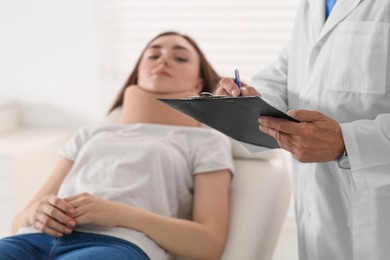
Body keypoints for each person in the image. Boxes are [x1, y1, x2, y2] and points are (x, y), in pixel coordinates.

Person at [0, 31, 234, 260]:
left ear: (198, 83)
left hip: (119, 244)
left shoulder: (206, 140)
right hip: (34, 238)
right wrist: (38, 213)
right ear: (138, 72)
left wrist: (117, 213)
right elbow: (18, 222)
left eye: (180, 58)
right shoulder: (91, 132)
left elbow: (209, 244)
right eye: (153, 56)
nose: (163, 60)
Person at [217, 1, 390, 260]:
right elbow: (286, 76)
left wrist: (347, 143)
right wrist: (246, 101)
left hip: (378, 221)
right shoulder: (312, 6)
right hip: (319, 212)